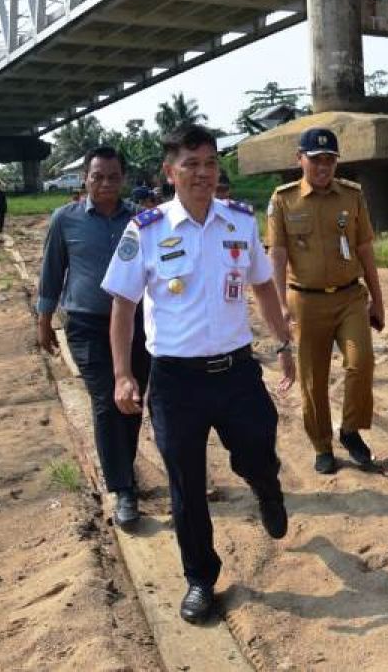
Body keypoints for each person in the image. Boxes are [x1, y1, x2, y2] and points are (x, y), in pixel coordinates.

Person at [102, 125, 296, 625]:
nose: (203, 173)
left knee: (258, 447)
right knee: (185, 484)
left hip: (236, 373)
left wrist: (283, 343)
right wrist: (124, 375)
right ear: (170, 172)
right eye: (191, 164)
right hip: (175, 382)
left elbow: (264, 289)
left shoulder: (239, 222)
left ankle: (265, 486)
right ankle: (200, 580)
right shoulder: (145, 230)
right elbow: (123, 306)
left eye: (210, 163)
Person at [36, 146, 151, 528]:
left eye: (113, 177)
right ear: (85, 178)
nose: (104, 183)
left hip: (136, 325)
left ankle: (124, 468)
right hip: (85, 324)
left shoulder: (141, 221)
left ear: (124, 180)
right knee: (106, 400)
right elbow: (52, 273)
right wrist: (44, 320)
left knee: (132, 399)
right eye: (97, 176)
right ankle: (122, 490)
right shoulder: (64, 220)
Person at [267, 128, 384, 475]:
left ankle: (349, 430)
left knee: (361, 363)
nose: (323, 167)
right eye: (315, 160)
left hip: (350, 296)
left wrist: (378, 300)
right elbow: (277, 254)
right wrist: (280, 305)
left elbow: (364, 249)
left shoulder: (352, 196)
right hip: (306, 301)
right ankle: (322, 445)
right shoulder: (283, 200)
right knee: (313, 380)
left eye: (329, 160)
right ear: (299, 159)